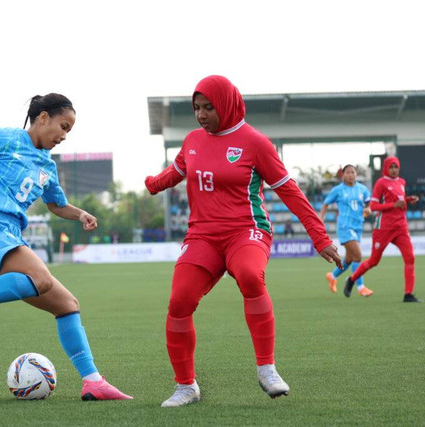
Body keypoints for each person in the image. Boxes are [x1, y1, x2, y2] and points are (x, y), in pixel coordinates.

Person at [144, 75, 342, 407]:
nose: (202, 114)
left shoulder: (255, 143)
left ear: (227, 104)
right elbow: (177, 171)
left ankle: (266, 369)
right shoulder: (192, 140)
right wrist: (152, 184)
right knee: (179, 300)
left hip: (246, 231)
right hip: (202, 236)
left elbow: (289, 192)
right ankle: (185, 386)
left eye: (209, 107)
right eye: (196, 108)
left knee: (251, 276)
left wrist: (319, 237)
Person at [0, 93, 132, 401]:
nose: (64, 136)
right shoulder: (5, 139)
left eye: (69, 131)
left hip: (11, 236)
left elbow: (56, 205)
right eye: (62, 126)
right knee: (41, 278)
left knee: (68, 305)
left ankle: (93, 381)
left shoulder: (47, 167)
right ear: (42, 118)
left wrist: (80, 214)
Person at [345, 157, 421, 302]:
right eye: (391, 167)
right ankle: (352, 279)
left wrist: (407, 200)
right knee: (374, 261)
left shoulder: (401, 182)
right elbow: (373, 206)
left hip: (400, 227)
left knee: (410, 257)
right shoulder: (381, 183)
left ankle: (408, 294)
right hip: (384, 228)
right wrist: (394, 205)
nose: (394, 169)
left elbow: (399, 201)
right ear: (386, 168)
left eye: (396, 167)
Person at [318, 165, 373, 296]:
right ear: (343, 175)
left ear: (356, 174)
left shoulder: (362, 189)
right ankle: (361, 287)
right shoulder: (338, 190)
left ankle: (332, 276)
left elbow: (369, 204)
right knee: (358, 256)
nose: (350, 175)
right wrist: (321, 219)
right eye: (347, 172)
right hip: (344, 226)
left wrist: (369, 210)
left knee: (349, 259)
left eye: (352, 172)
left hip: (358, 226)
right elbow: (326, 203)